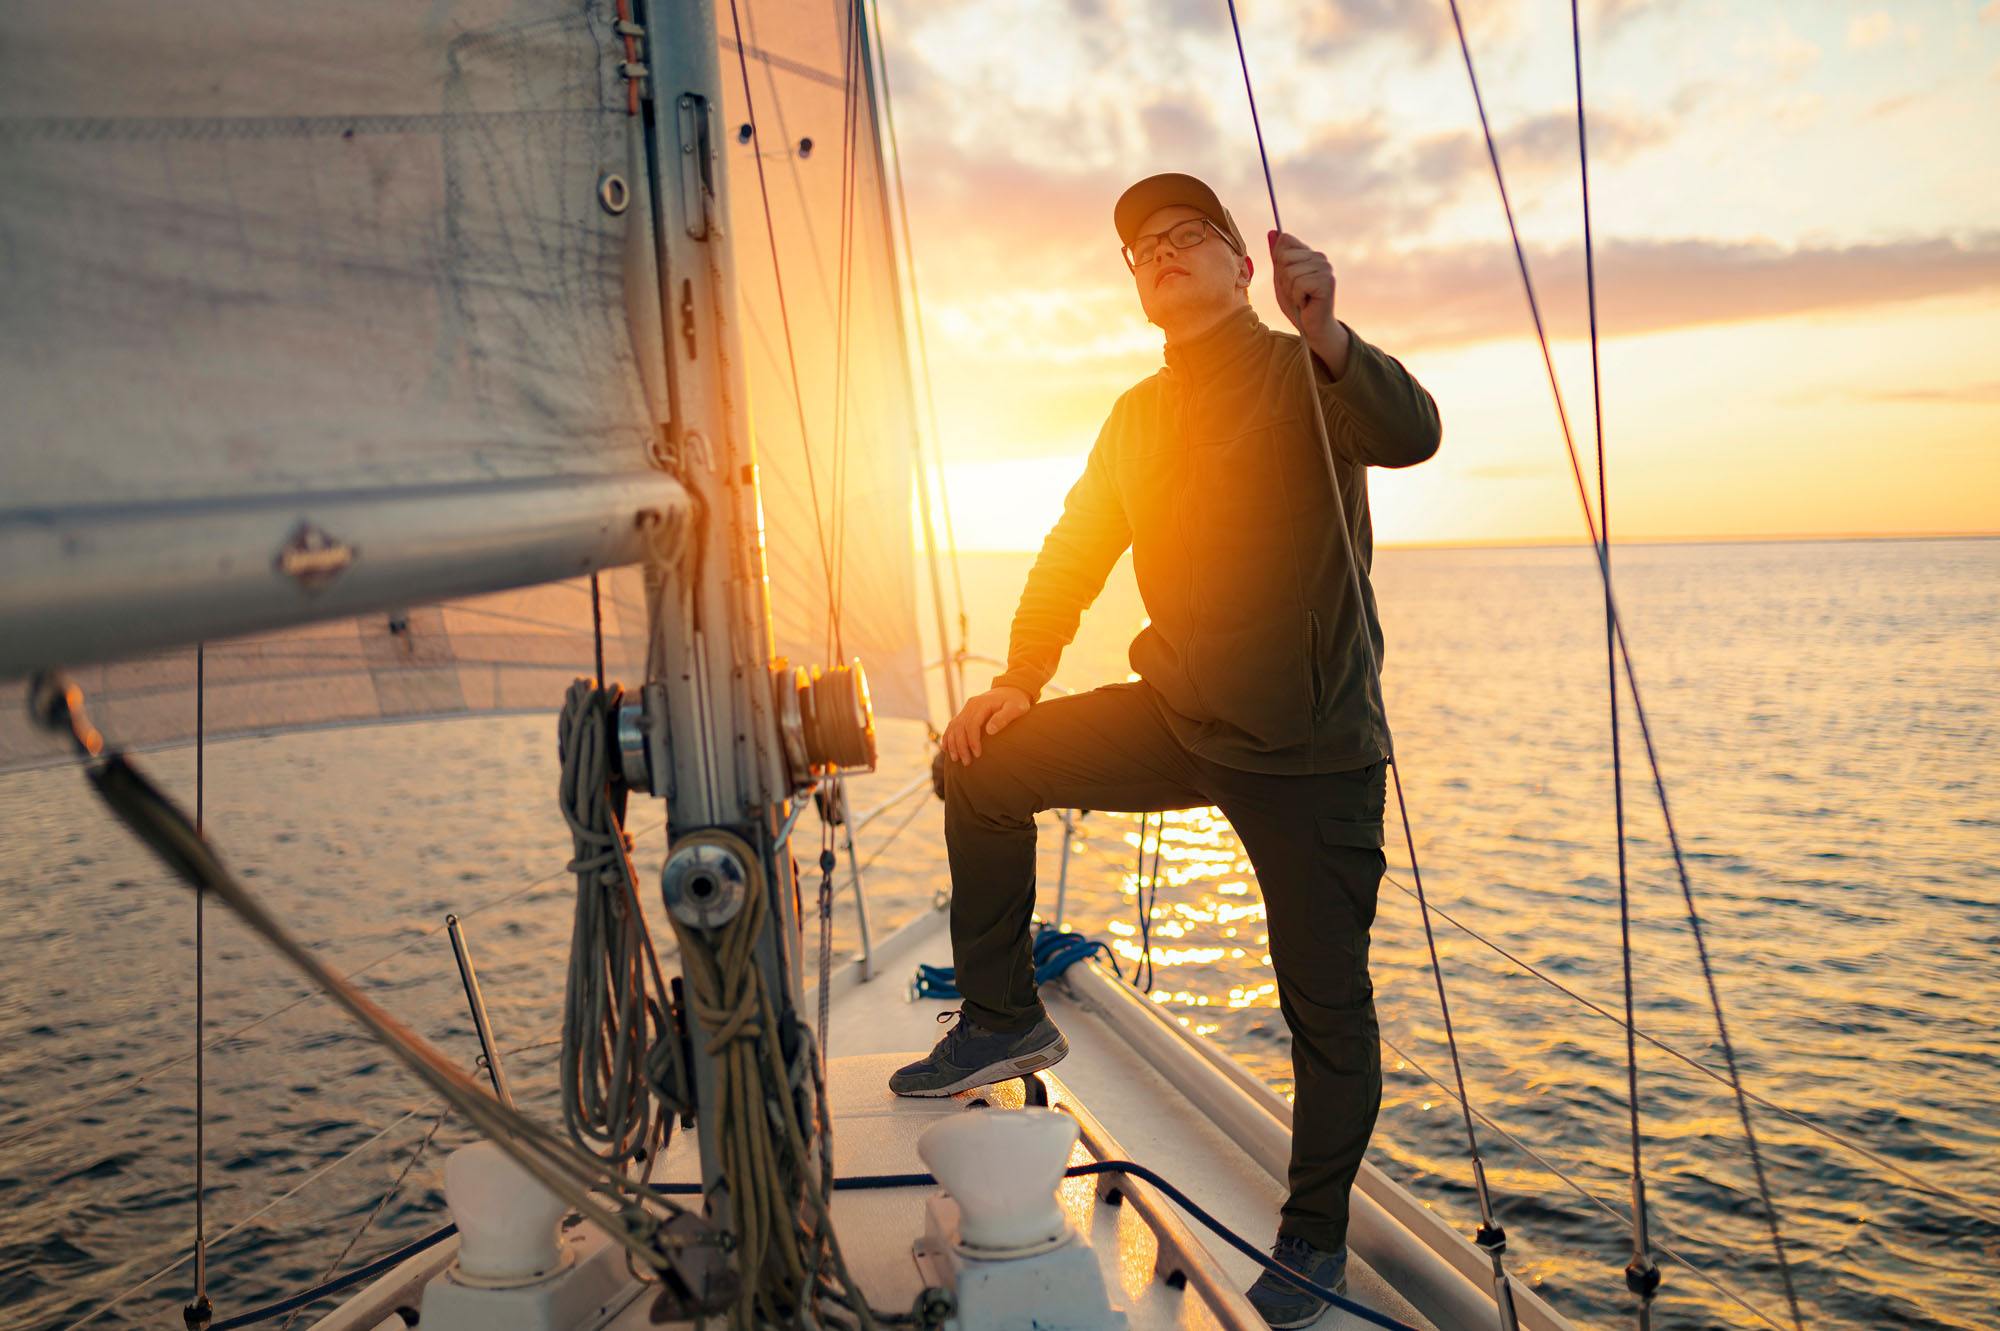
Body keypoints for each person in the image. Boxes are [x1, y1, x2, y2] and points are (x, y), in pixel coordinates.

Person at [888, 172, 1440, 1327]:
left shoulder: (1307, 373)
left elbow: (1412, 433)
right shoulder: (1136, 417)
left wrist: (1327, 328)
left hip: (1312, 754)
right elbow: (1074, 545)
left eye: (1192, 235)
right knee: (979, 766)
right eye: (1144, 247)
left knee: (1324, 1004)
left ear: (1245, 267)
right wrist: (1016, 677)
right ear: (1136, 289)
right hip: (1181, 716)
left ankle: (1312, 1235)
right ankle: (1000, 1013)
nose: (1165, 251)